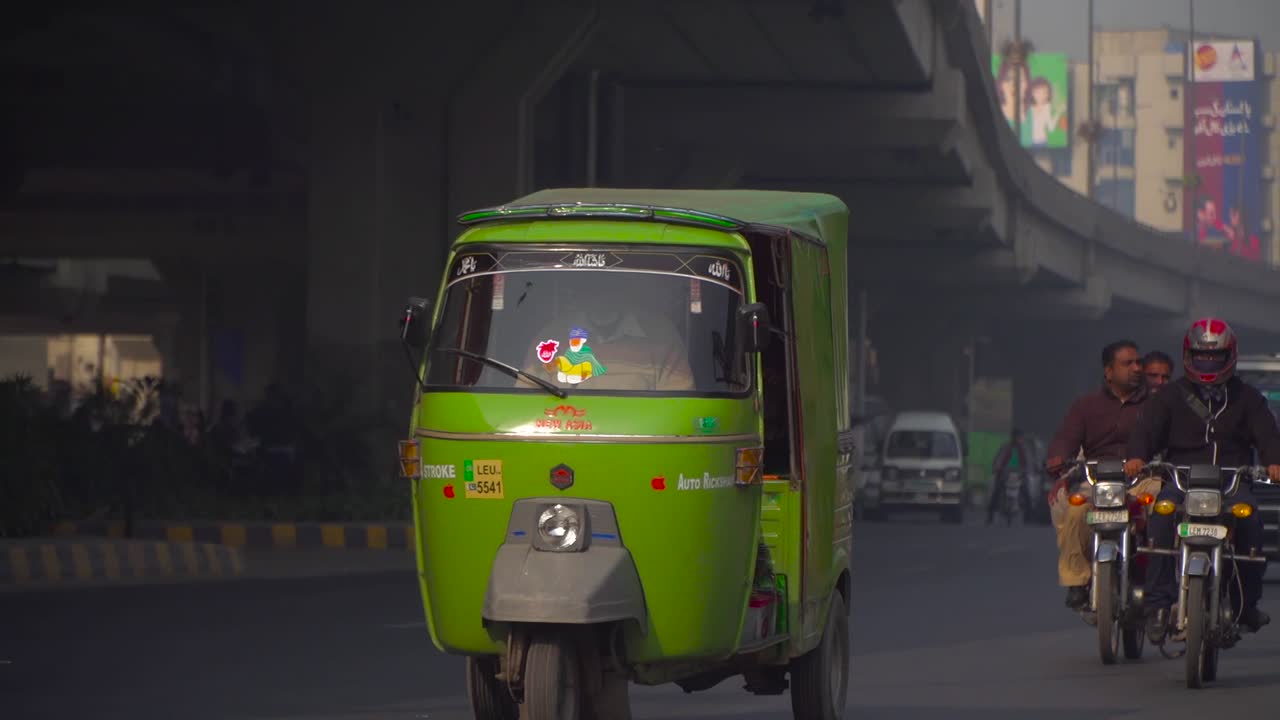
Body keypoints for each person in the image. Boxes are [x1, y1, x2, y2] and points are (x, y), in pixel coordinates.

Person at [1125, 318, 1280, 639]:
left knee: (1251, 525)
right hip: (1181, 484)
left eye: (1215, 357)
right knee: (1160, 519)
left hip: (1232, 485)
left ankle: (1245, 604)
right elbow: (1146, 430)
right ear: (1188, 356)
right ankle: (1157, 604)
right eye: (1201, 356)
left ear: (1229, 357)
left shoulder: (1248, 398)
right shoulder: (1169, 396)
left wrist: (1274, 462)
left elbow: (1267, 435)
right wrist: (1137, 456)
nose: (1207, 363)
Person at [1044, 340, 1151, 610]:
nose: (1137, 368)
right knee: (1076, 512)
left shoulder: (1155, 403)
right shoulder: (1086, 405)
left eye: (1138, 362)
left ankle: (1160, 579)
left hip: (1144, 479)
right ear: (1109, 371)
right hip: (1098, 481)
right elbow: (1067, 437)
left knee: (1163, 512)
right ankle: (1076, 581)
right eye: (1128, 363)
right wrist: (1057, 457)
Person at [987, 428, 1032, 525]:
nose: (1018, 439)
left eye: (1019, 437)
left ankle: (1028, 517)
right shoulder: (1006, 447)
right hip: (1005, 474)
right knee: (997, 492)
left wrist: (1027, 471)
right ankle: (990, 515)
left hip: (1019, 475)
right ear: (1012, 437)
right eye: (1016, 437)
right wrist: (997, 468)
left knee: (1026, 494)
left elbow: (1028, 462)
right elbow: (999, 459)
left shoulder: (1024, 449)